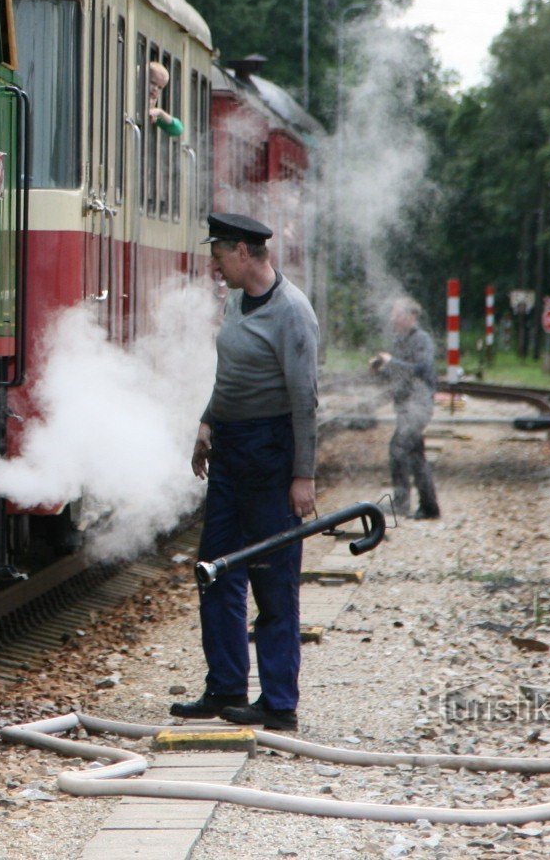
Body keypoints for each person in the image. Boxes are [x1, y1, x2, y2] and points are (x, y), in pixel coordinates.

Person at [171, 212, 319, 734]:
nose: (214, 269)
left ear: (241, 252)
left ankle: (279, 702)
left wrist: (303, 475)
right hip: (231, 451)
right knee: (216, 570)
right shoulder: (236, 302)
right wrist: (208, 421)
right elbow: (229, 373)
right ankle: (226, 686)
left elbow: (305, 401)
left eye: (217, 257)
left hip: (271, 452)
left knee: (272, 579)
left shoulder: (292, 313)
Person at [371, 297, 441, 520]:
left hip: (419, 405)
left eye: (398, 314)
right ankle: (429, 506)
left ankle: (402, 503)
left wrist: (391, 362)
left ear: (411, 317)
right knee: (415, 454)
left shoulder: (422, 340)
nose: (393, 318)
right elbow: (399, 373)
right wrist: (380, 369)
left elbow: (420, 369)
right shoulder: (400, 341)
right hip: (406, 406)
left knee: (399, 448)